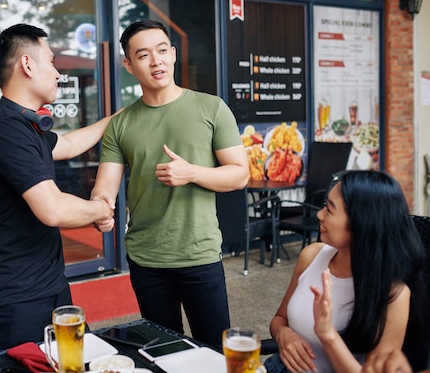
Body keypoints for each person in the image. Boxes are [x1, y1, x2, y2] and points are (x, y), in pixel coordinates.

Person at [89, 20, 249, 350]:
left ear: (173, 55)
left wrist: (192, 173)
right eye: (144, 55)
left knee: (215, 353)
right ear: (128, 65)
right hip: (147, 259)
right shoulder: (120, 124)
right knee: (163, 352)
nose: (156, 61)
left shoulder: (211, 108)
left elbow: (239, 174)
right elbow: (105, 187)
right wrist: (100, 208)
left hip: (199, 254)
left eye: (162, 51)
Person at [0, 23, 116, 352]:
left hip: (48, 285)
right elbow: (53, 209)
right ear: (27, 64)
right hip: (14, 298)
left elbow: (65, 144)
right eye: (51, 62)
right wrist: (100, 210)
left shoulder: (25, 125)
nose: (58, 73)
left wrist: (116, 120)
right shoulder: (4, 128)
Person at [266, 170, 426, 373]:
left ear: (362, 223)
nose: (319, 214)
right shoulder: (312, 255)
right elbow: (279, 319)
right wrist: (283, 335)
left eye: (330, 210)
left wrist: (327, 334)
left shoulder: (394, 294)